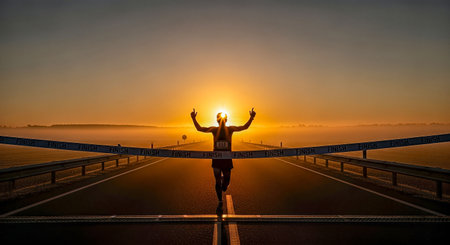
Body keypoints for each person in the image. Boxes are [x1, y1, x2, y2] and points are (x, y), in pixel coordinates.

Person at [191, 108, 256, 204]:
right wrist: (193, 118)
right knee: (217, 181)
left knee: (226, 182)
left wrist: (251, 117)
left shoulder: (230, 129)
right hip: (217, 159)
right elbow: (200, 129)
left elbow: (244, 127)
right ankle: (220, 200)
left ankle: (224, 186)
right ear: (218, 121)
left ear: (225, 120)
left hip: (227, 159)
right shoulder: (214, 129)